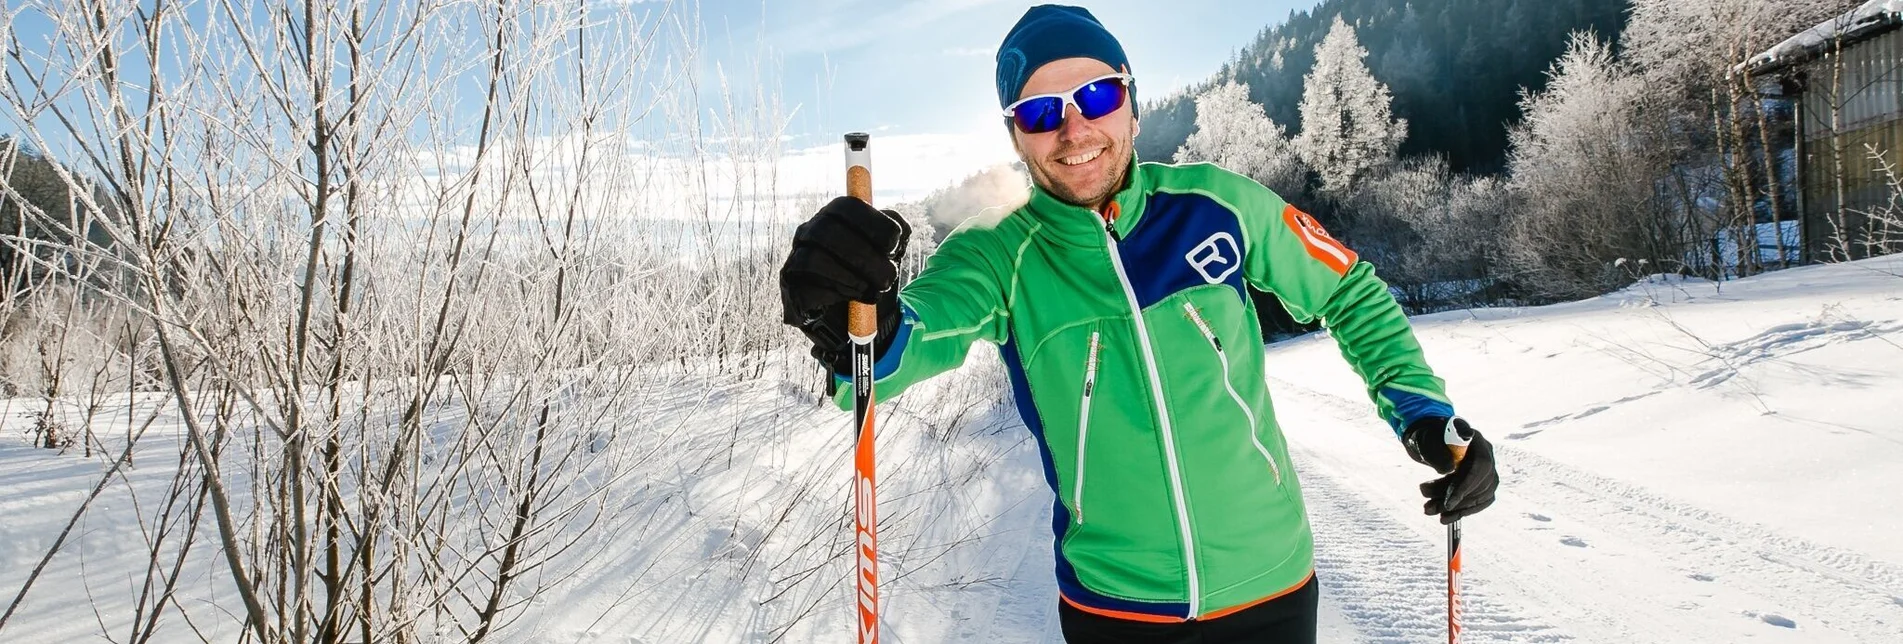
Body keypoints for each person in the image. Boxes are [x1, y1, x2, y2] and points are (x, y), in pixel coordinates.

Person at [778, 5, 1498, 642]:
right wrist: (845, 320)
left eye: (1095, 95)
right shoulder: (999, 253)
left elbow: (1348, 291)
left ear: (1131, 103)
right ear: (1015, 138)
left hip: (1273, 585)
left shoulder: (1216, 204)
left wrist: (1421, 410)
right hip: (1116, 611)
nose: (1073, 128)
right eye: (1038, 113)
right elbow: (900, 347)